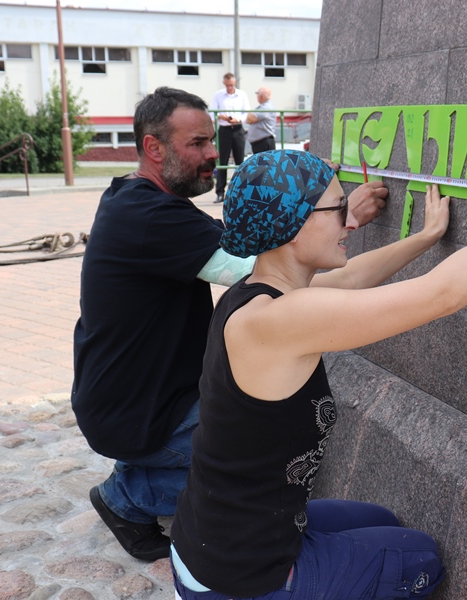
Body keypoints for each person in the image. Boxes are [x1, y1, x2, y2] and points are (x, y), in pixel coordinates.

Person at [169, 149, 467, 599]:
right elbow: (442, 295)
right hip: (236, 578)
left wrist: (427, 237)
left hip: (215, 537)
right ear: (294, 223)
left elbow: (350, 280)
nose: (351, 222)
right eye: (339, 208)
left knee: (382, 522)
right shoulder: (278, 321)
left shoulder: (255, 292)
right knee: (420, 558)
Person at [72, 88, 388, 563]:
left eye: (211, 141)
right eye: (197, 143)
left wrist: (323, 212)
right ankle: (128, 496)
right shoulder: (149, 217)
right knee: (267, 452)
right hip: (135, 412)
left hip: (135, 396)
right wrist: (336, 216)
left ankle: (142, 470)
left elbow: (250, 241)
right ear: (154, 148)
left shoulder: (137, 201)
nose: (213, 153)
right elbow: (264, 269)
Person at [209, 73, 249, 203]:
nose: (229, 88)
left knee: (240, 162)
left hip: (238, 129)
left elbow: (247, 113)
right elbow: (211, 112)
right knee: (222, 161)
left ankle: (241, 192)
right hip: (224, 130)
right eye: (227, 85)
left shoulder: (242, 94)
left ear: (235, 83)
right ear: (224, 84)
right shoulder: (218, 95)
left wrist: (238, 119)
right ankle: (220, 192)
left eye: (231, 85)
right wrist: (221, 116)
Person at [245, 86, 276, 154]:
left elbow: (250, 119)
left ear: (261, 96)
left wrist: (250, 113)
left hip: (263, 143)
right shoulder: (264, 106)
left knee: (264, 164)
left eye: (257, 94)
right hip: (261, 143)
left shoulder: (266, 107)